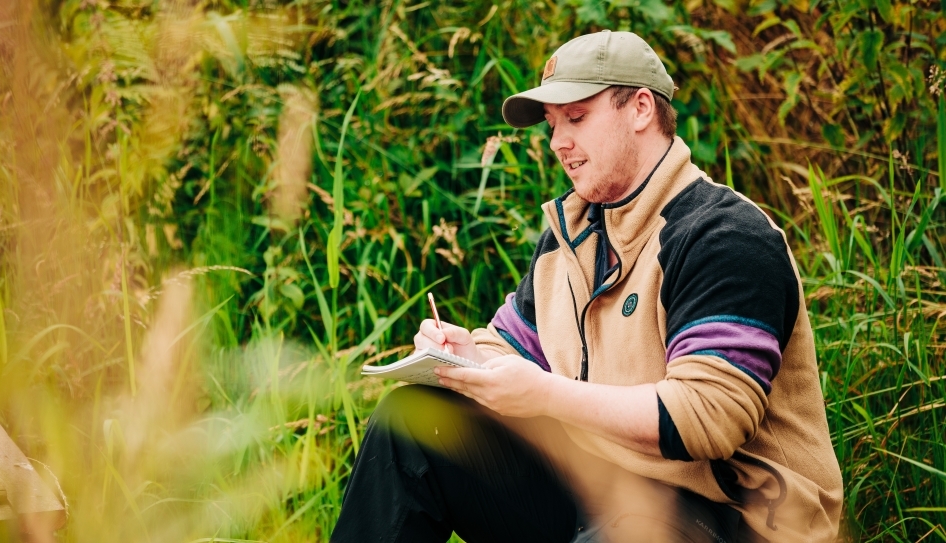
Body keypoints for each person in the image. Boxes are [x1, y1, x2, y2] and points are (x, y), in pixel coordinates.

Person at [331, 30, 843, 543]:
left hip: (734, 516)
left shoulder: (724, 235)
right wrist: (466, 354)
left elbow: (707, 419)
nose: (558, 143)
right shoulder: (572, 236)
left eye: (576, 118)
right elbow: (512, 349)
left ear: (641, 108)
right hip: (599, 485)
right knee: (415, 419)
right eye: (553, 126)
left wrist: (546, 396)